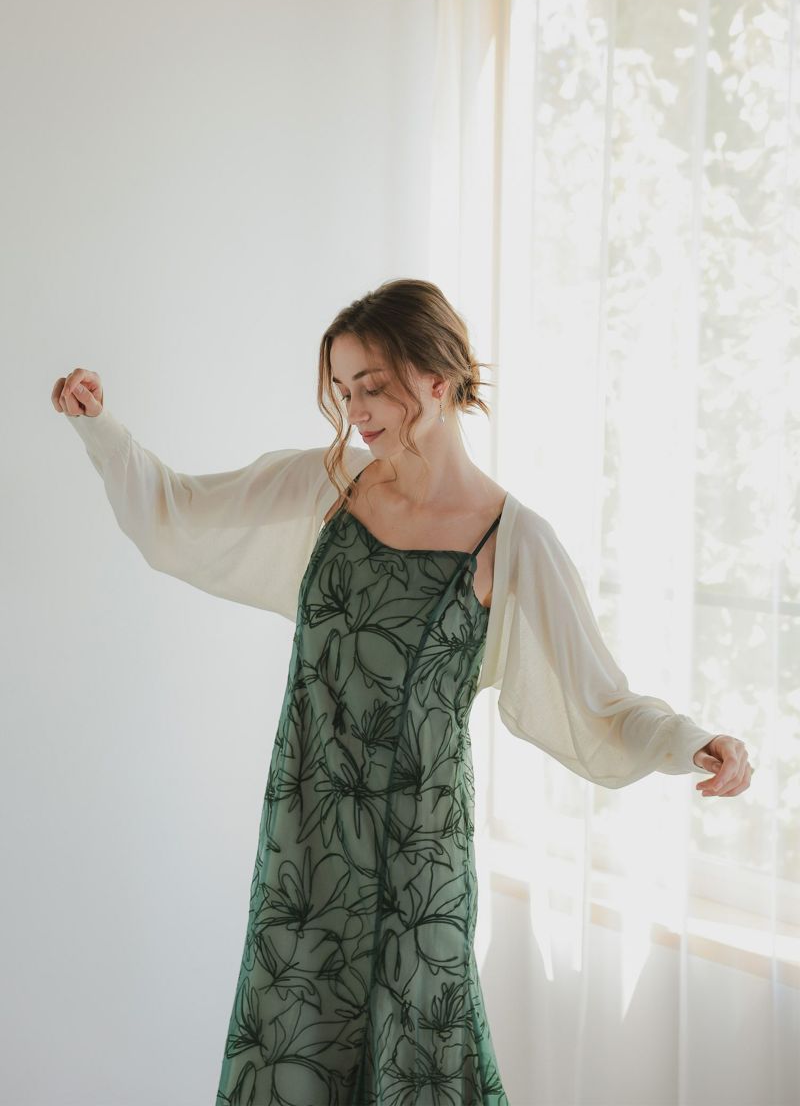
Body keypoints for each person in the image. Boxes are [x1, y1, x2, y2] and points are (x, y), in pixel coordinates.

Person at [53, 278, 753, 1105]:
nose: (355, 411)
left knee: (418, 1058)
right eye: (344, 390)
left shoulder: (513, 538)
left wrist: (692, 743)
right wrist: (99, 428)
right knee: (295, 1040)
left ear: (437, 378)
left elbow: (601, 701)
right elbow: (177, 512)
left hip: (418, 853)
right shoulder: (329, 484)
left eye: (373, 387)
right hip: (308, 831)